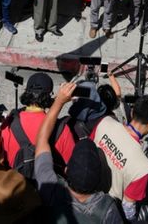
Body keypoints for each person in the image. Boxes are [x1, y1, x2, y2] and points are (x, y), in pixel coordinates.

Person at [33, 81, 124, 223]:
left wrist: (59, 102)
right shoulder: (108, 210)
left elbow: (41, 140)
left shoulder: (50, 188)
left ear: (67, 170)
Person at [91, 94, 148, 220]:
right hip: (108, 210)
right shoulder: (143, 167)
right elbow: (128, 207)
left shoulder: (105, 122)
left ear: (132, 111)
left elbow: (88, 150)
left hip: (88, 193)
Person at [0, 72, 76, 170]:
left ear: (26, 92)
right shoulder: (62, 129)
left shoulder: (9, 123)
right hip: (46, 182)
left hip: (16, 182)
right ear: (49, 96)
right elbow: (72, 167)